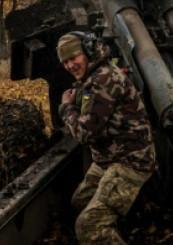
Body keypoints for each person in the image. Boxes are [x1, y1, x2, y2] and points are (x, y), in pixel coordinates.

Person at [57, 31, 156, 245]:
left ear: (88, 51)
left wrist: (66, 108)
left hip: (130, 161)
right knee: (79, 202)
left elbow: (84, 134)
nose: (70, 66)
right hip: (109, 158)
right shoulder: (95, 74)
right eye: (65, 61)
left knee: (88, 226)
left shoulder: (101, 80)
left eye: (73, 57)